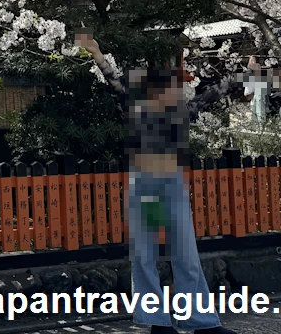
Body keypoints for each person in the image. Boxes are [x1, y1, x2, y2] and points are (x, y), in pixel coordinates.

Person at [75, 32, 236, 334]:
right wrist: (97, 55)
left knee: (185, 254)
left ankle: (201, 323)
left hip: (172, 183)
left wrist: (247, 76)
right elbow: (113, 81)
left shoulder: (181, 112)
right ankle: (157, 323)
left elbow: (212, 94)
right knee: (146, 254)